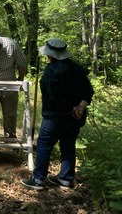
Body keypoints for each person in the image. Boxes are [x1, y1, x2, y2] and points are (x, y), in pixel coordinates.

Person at [21, 38, 94, 191]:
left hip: (55, 117)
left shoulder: (51, 70)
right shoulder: (77, 69)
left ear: (51, 55)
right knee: (68, 145)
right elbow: (88, 92)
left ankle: (38, 179)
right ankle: (66, 178)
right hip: (75, 118)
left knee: (44, 145)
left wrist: (71, 109)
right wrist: (79, 108)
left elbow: (53, 96)